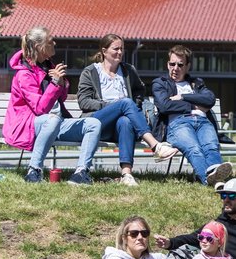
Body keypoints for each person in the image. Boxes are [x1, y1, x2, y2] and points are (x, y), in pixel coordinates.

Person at [76, 33, 179, 186]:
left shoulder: (128, 71)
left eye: (122, 49)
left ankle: (126, 174)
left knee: (125, 121)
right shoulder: (90, 72)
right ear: (104, 51)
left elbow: (139, 92)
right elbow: (84, 102)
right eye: (116, 49)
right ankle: (156, 145)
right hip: (98, 123)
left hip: (120, 126)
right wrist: (112, 105)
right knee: (124, 102)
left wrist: (131, 106)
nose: (120, 52)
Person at [5, 26, 102, 185]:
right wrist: (56, 83)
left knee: (93, 124)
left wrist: (62, 83)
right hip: (29, 125)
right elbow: (39, 109)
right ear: (39, 47)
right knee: (52, 120)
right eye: (50, 41)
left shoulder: (49, 66)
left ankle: (80, 173)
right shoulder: (24, 74)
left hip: (55, 122)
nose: (55, 42)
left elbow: (61, 98)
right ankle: (34, 170)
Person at [151, 45, 233, 186]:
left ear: (188, 66)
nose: (175, 68)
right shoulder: (160, 83)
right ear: (167, 64)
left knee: (211, 147)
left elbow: (209, 100)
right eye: (172, 64)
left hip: (203, 122)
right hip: (178, 124)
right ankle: (210, 181)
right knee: (194, 149)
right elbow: (164, 106)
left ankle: (216, 178)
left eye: (180, 64)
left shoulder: (197, 83)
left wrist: (182, 97)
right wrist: (192, 105)